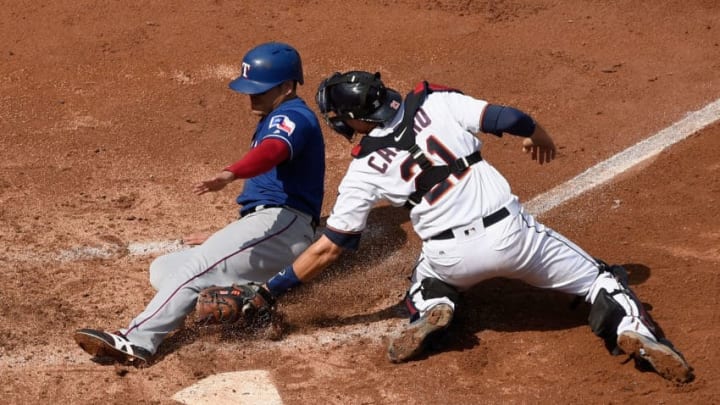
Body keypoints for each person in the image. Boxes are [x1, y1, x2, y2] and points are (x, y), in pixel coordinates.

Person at [243, 70, 692, 383]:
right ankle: (632, 330)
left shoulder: (362, 171)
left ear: (357, 120)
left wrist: (271, 290)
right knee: (601, 279)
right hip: (514, 240)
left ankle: (436, 306)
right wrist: (539, 135)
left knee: (422, 279)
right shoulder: (437, 101)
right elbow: (509, 118)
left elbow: (332, 246)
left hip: (449, 256)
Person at [73, 42, 325, 364]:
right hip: (265, 224)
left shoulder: (294, 115)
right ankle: (249, 306)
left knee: (197, 272)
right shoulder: (273, 114)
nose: (252, 96)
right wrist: (229, 237)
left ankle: (135, 341)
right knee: (164, 268)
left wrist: (231, 174)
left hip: (285, 224)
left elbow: (273, 151)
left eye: (260, 90)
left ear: (287, 86)